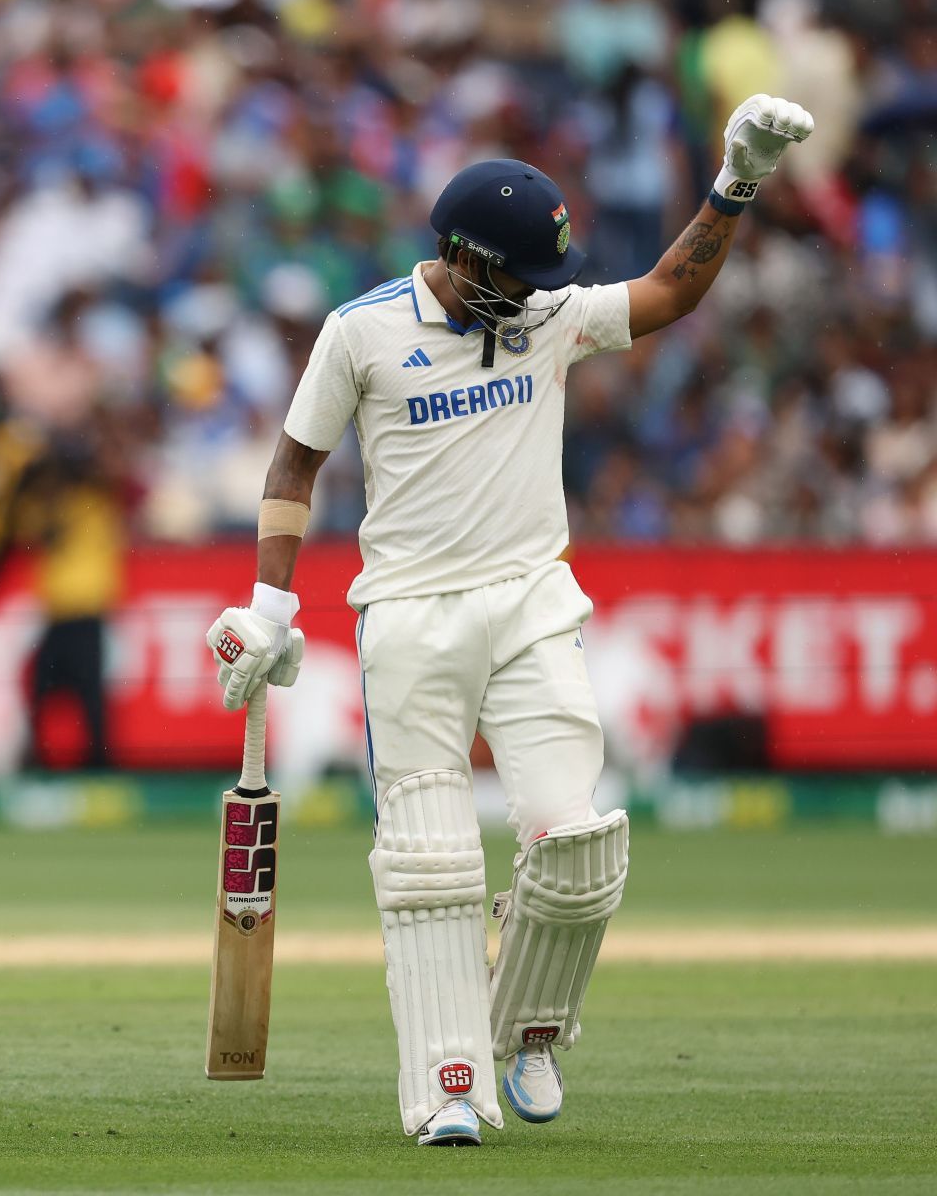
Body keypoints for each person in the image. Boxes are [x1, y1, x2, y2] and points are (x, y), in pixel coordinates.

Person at [205, 96, 814, 1146]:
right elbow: (296, 460)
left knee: (576, 849)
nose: (531, 298)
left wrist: (738, 178)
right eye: (513, 277)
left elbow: (669, 291)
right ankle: (449, 1083)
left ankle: (527, 1023)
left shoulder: (546, 316)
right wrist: (270, 599)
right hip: (407, 617)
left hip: (534, 603)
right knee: (432, 864)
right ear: (460, 253)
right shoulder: (362, 331)